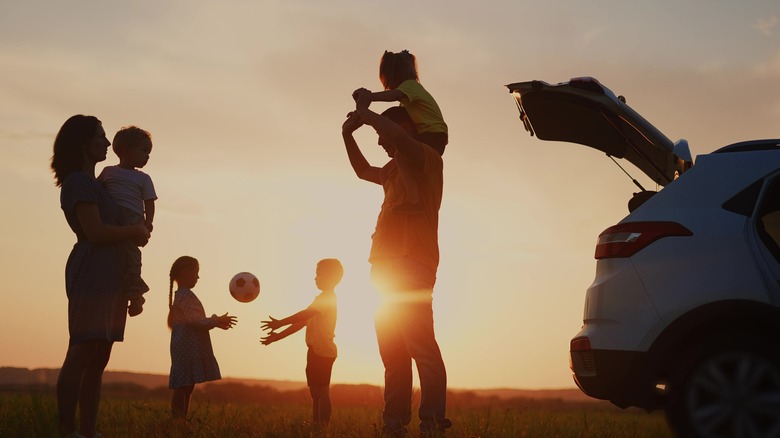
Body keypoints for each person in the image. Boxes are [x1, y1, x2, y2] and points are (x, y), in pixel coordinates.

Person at [342, 93, 451, 436]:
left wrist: (367, 113)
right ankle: (394, 423)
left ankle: (431, 422)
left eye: (383, 138)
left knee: (421, 347)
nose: (383, 146)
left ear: (402, 126)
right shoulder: (392, 169)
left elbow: (400, 138)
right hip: (384, 267)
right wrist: (347, 134)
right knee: (392, 352)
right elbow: (363, 171)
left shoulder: (426, 158)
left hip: (413, 264)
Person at [50, 114, 150, 438]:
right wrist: (133, 229)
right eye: (101, 137)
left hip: (113, 273)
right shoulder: (79, 182)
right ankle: (67, 431)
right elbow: (94, 231)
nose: (108, 143)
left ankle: (89, 432)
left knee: (98, 357)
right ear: (83, 143)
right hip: (94, 271)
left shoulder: (99, 184)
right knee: (82, 350)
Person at [353, 49, 448, 213]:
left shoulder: (410, 87)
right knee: (387, 172)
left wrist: (369, 98)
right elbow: (391, 124)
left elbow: (392, 96)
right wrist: (365, 119)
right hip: (428, 135)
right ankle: (403, 199)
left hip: (432, 135)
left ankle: (413, 200)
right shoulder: (406, 102)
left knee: (400, 156)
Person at [260, 258, 343, 430]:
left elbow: (304, 315)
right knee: (315, 393)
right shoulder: (320, 299)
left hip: (323, 351)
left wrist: (280, 322)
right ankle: (316, 425)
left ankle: (323, 427)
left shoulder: (327, 298)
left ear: (331, 276)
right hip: (314, 350)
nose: (315, 278)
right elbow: (301, 323)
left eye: (318, 274)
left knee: (322, 392)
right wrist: (277, 336)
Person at [167, 256, 237, 419]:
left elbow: (196, 320)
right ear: (185, 272)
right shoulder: (185, 295)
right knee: (182, 386)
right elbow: (194, 321)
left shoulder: (184, 295)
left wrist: (215, 321)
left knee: (187, 386)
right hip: (186, 348)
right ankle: (177, 421)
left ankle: (181, 420)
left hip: (189, 346)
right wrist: (216, 320)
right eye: (195, 273)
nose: (198, 277)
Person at [98, 126, 157, 317]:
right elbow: (97, 190)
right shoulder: (108, 172)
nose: (147, 156)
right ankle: (129, 290)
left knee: (132, 256)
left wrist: (148, 222)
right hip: (113, 216)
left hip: (133, 219)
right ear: (125, 151)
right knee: (118, 255)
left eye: (148, 152)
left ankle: (136, 296)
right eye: (143, 151)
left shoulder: (143, 178)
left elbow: (149, 202)